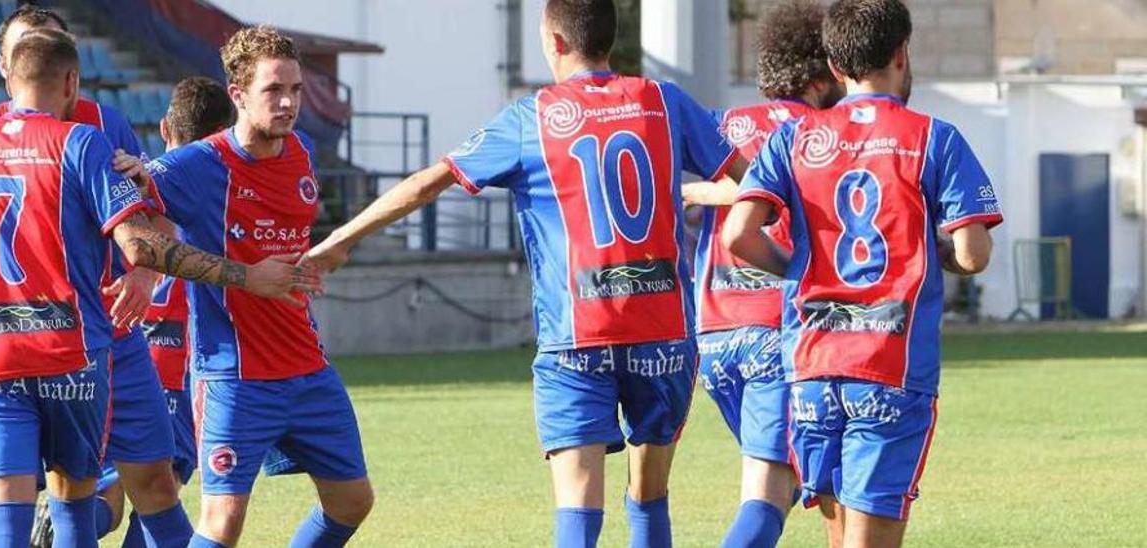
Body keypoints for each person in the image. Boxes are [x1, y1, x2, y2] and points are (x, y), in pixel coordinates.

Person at [301, 1, 745, 546]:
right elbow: (752, 183)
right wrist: (694, 193)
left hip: (577, 338)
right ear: (611, 38)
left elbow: (426, 183)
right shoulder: (663, 100)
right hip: (663, 332)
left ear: (554, 43)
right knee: (648, 492)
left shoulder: (530, 117)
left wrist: (337, 241)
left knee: (578, 508)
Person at [0, 29, 312, 548]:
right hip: (74, 349)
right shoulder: (82, 141)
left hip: (0, 353)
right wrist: (245, 275)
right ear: (70, 79)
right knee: (75, 499)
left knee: (16, 508)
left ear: (10, 69)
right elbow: (141, 240)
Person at [0, 6, 193, 545]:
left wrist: (146, 279)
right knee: (65, 492)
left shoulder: (105, 125)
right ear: (6, 67)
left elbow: (159, 209)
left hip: (112, 339)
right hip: (63, 345)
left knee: (153, 483)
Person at [722, 1, 1002, 546]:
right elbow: (974, 252)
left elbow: (737, 235)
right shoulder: (933, 137)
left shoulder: (793, 139)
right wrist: (933, 249)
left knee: (837, 532)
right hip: (888, 365)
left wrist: (797, 268)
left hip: (810, 366)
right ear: (901, 53)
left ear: (833, 65)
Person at [128, 26, 374, 548]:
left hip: (307, 367)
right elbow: (132, 216)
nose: (288, 103)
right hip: (233, 376)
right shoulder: (197, 165)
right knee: (222, 524)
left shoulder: (303, 152)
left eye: (296, 89)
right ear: (238, 95)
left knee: (353, 500)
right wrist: (243, 276)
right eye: (273, 91)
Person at [683, 2, 842, 546]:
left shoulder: (726, 125)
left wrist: (695, 193)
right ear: (824, 76)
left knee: (789, 480)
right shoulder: (824, 136)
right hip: (782, 336)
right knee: (772, 492)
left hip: (715, 337)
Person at [99, 76, 234, 548]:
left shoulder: (125, 180)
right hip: (178, 366)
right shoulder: (218, 188)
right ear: (224, 136)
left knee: (107, 491)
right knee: (162, 491)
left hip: (117, 351)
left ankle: (68, 522)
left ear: (163, 127)